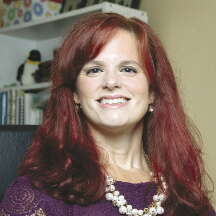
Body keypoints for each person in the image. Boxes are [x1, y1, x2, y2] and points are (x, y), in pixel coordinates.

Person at [0, 12, 214, 216]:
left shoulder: (185, 193)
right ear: (75, 93)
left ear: (152, 92)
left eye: (128, 69)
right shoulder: (37, 194)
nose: (111, 82)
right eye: (94, 70)